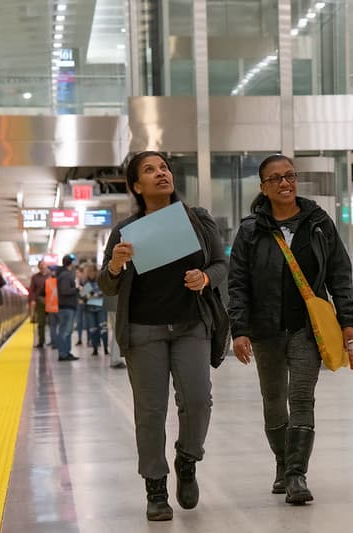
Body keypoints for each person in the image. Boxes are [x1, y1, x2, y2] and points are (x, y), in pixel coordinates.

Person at [227, 154, 353, 505]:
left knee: (302, 397)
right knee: (273, 401)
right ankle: (282, 462)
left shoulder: (318, 223)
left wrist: (349, 322)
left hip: (307, 329)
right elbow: (238, 283)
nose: (285, 183)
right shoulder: (250, 231)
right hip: (265, 330)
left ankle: (296, 474)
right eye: (275, 179)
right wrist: (239, 329)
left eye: (290, 175)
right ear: (263, 188)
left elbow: (339, 274)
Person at [98, 150, 227, 522]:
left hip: (191, 326)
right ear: (137, 186)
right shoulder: (125, 231)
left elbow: (220, 264)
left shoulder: (198, 220)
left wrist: (205, 279)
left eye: (164, 168)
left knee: (199, 401)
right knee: (151, 413)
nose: (161, 174)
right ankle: (155, 486)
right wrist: (116, 264)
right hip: (144, 331)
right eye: (150, 170)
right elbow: (107, 285)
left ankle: (187, 459)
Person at [81, 263, 108, 356]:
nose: (91, 274)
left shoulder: (100, 281)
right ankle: (95, 348)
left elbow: (105, 291)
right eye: (89, 272)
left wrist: (97, 294)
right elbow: (83, 296)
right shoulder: (86, 283)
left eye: (92, 272)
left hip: (100, 307)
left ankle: (105, 348)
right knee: (93, 329)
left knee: (103, 328)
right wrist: (85, 296)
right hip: (89, 309)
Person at [28, 260, 50, 348]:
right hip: (40, 302)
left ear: (46, 266)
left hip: (51, 302)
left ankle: (54, 341)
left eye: (44, 265)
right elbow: (32, 290)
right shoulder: (35, 277)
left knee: (53, 322)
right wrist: (32, 300)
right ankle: (41, 341)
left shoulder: (51, 276)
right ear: (38, 267)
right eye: (41, 266)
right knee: (41, 323)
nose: (42, 267)